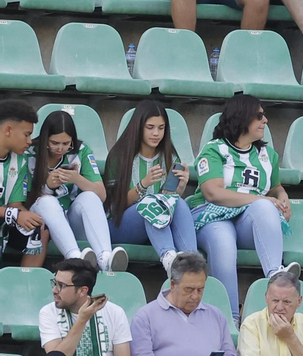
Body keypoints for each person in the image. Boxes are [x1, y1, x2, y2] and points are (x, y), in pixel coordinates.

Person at [190, 96, 299, 321]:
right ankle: (229, 319)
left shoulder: (267, 155)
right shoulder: (215, 149)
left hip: (244, 220)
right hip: (211, 216)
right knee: (224, 241)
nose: (265, 121)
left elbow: (276, 186)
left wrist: (282, 196)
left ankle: (276, 275)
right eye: (259, 116)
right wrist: (260, 198)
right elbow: (213, 193)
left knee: (264, 207)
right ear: (242, 118)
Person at [131, 252, 248, 356]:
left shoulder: (215, 315)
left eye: (200, 289)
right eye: (189, 289)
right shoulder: (146, 315)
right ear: (173, 285)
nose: (195, 296)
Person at [103, 100, 198, 277]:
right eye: (150, 127)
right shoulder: (119, 156)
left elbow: (167, 198)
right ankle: (169, 258)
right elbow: (114, 206)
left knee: (179, 203)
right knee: (152, 204)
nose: (156, 133)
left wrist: (179, 189)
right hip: (120, 225)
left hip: (155, 226)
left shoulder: (169, 155)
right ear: (138, 127)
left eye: (161, 128)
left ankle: (192, 263)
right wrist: (143, 185)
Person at [25, 110, 123, 274]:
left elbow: (102, 194)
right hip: (42, 220)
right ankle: (75, 257)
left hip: (70, 218)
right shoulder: (30, 153)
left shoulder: (81, 150)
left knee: (90, 196)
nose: (60, 148)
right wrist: (47, 186)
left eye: (66, 144)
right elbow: (22, 200)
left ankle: (105, 257)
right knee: (48, 201)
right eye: (54, 143)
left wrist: (77, 179)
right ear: (45, 139)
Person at [40, 257, 138, 356]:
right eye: (54, 283)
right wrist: (82, 320)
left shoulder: (115, 312)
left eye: (61, 286)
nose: (54, 290)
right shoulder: (48, 312)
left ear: (82, 291)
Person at [0, 100, 45, 268]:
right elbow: (13, 210)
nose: (29, 141)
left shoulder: (20, 160)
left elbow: (15, 204)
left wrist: (29, 217)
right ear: (8, 130)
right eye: (26, 134)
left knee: (39, 229)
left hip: (3, 221)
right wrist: (14, 214)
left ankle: (27, 287)